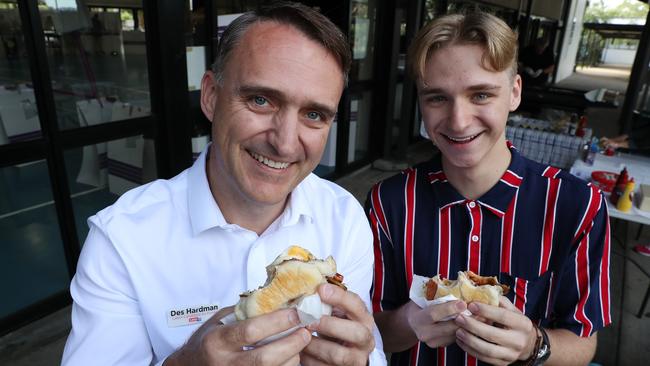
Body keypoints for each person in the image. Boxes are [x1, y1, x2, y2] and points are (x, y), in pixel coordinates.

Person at [62, 3, 385, 366]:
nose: (284, 142)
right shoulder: (121, 239)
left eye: (314, 115)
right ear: (211, 97)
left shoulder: (344, 218)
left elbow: (368, 349)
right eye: (261, 100)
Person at [367, 12, 611, 366]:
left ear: (514, 93)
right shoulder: (388, 202)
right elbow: (374, 329)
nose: (459, 120)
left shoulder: (576, 204)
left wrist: (533, 344)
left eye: (480, 94)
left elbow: (584, 340)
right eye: (437, 98)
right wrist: (410, 321)